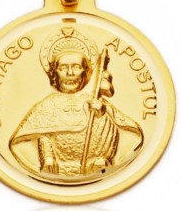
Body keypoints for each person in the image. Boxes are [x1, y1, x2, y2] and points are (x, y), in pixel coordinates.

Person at [9, 27, 144, 179]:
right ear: (54, 73)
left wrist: (103, 113)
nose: (70, 73)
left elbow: (128, 129)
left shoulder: (94, 101)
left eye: (76, 67)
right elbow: (40, 135)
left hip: (96, 167)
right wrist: (47, 158)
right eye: (63, 68)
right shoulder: (47, 106)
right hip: (57, 171)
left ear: (86, 72)